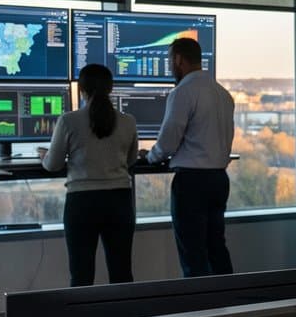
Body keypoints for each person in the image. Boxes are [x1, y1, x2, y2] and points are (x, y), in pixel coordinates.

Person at [41, 63, 137, 287]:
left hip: (82, 203)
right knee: (122, 272)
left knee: (81, 275)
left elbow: (53, 165)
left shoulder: (68, 120)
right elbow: (131, 160)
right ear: (111, 89)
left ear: (81, 90)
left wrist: (43, 156)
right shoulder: (128, 121)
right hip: (120, 201)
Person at [149, 36, 236, 277]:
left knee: (193, 253)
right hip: (219, 179)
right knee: (216, 247)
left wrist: (151, 157)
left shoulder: (183, 92)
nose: (170, 67)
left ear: (178, 60)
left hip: (192, 183)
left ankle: (198, 308)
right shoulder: (223, 93)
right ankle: (228, 305)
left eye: (170, 61)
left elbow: (168, 140)